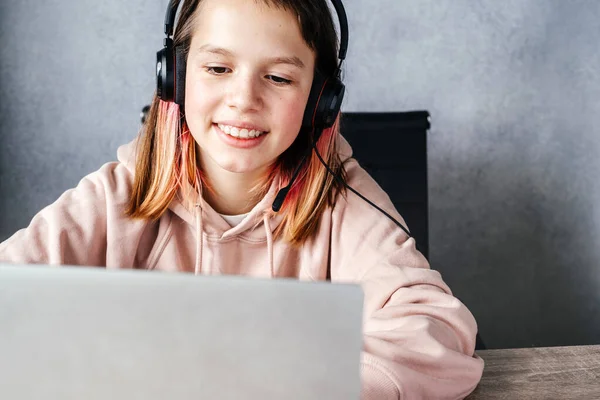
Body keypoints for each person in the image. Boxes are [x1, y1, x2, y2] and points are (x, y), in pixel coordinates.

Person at [0, 0, 484, 398]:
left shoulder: (343, 203)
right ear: (175, 75)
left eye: (278, 78)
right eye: (217, 67)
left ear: (321, 100)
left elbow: (436, 333)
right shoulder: (117, 196)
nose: (243, 99)